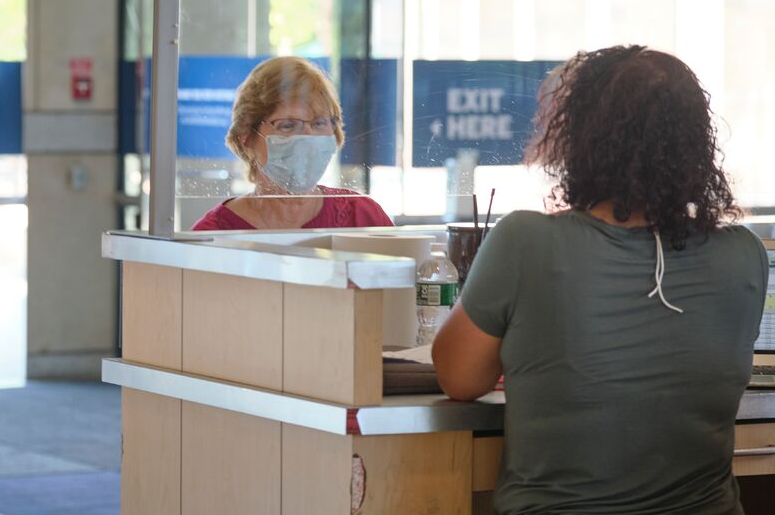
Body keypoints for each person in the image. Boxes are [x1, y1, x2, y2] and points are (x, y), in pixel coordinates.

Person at [432, 45, 768, 515]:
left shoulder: (525, 241)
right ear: (696, 143)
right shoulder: (745, 255)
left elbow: (460, 378)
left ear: (581, 138)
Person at [192, 56, 392, 230]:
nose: (307, 137)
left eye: (319, 123)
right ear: (246, 136)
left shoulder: (363, 217)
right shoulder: (214, 235)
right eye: (287, 125)